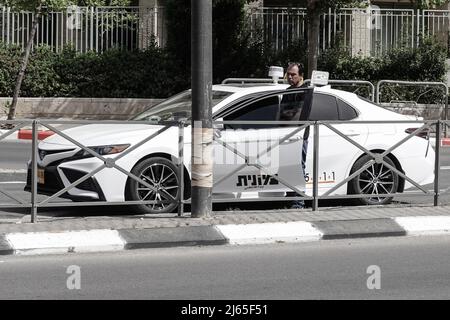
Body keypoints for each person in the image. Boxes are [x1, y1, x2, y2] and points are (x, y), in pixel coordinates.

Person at [280, 62, 309, 209]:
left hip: (299, 135)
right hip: (286, 134)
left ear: (301, 75)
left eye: (293, 75)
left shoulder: (306, 91)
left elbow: (296, 114)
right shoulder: (288, 91)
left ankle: (298, 203)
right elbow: (281, 113)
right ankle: (291, 198)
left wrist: (286, 115)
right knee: (288, 167)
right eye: (288, 74)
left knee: (298, 167)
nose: (290, 77)